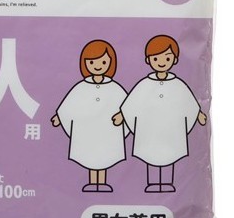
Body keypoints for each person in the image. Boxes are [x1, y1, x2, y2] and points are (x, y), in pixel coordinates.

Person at [112, 35, 207, 193]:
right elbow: (133, 101)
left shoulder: (177, 84)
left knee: (171, 154)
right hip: (150, 129)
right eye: (156, 58)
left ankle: (167, 182)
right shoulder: (145, 84)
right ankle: (153, 182)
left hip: (171, 129)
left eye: (167, 58)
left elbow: (188, 101)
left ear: (174, 59)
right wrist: (122, 114)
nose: (162, 62)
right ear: (149, 60)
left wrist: (198, 114)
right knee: (150, 153)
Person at [51, 40, 128, 192]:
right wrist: (60, 116)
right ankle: (93, 182)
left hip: (107, 130)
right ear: (85, 63)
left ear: (110, 63)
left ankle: (102, 182)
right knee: (90, 153)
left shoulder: (115, 88)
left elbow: (127, 106)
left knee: (104, 154)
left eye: (103, 62)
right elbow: (70, 104)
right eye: (92, 62)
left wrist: (123, 116)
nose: (98, 66)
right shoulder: (81, 87)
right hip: (88, 131)